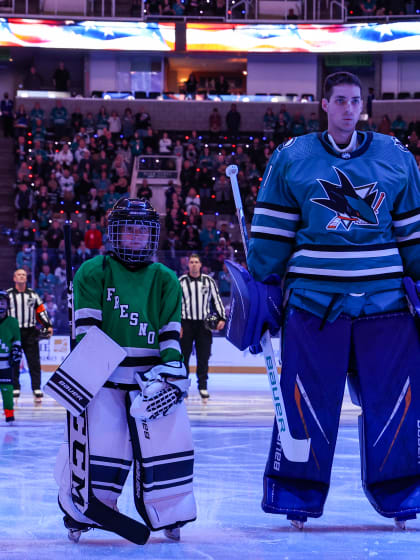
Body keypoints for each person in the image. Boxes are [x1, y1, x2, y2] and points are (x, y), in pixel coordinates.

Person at [241, 71, 420, 528]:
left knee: (396, 399)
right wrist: (263, 285)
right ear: (323, 104)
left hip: (386, 305)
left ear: (364, 105)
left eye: (355, 101)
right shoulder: (292, 157)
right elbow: (272, 234)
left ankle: (402, 493)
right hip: (313, 305)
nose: (347, 109)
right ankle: (297, 495)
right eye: (339, 100)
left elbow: (412, 236)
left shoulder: (396, 158)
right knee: (306, 400)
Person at [55, 198, 196, 543]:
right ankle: (84, 511)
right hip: (104, 383)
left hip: (150, 384)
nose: (134, 236)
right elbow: (87, 337)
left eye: (142, 230)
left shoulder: (165, 279)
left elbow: (170, 339)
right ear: (114, 233)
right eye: (128, 229)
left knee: (168, 449)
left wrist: (170, 376)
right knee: (103, 452)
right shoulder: (93, 271)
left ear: (152, 236)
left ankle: (171, 512)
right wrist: (81, 384)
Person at [179, 253, 226, 399]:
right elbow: (175, 303)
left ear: (200, 265)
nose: (193, 264)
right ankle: (182, 387)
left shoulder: (209, 281)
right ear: (188, 265)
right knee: (183, 357)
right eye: (191, 262)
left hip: (203, 324)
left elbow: (217, 300)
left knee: (203, 356)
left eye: (196, 262)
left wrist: (222, 318)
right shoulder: (181, 281)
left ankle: (203, 386)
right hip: (185, 323)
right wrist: (176, 323)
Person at [7, 269, 53, 402]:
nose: (21, 276)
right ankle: (15, 387)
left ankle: (36, 388)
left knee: (34, 361)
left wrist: (47, 325)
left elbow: (41, 311)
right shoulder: (8, 295)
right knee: (13, 360)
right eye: (19, 275)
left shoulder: (33, 295)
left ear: (26, 278)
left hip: (30, 331)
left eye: (24, 275)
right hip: (13, 331)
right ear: (14, 278)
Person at [0, 291, 22, 424]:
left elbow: (16, 340)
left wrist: (16, 351)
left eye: (2, 302)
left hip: (5, 363)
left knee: (7, 390)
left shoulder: (13, 322)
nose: (0, 304)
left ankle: (9, 416)